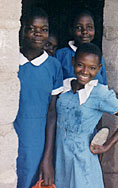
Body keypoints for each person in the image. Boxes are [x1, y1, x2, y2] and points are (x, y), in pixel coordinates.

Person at [40, 43, 118, 188]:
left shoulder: (100, 93)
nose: (85, 71)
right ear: (73, 62)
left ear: (99, 69)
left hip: (83, 161)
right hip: (61, 159)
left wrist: (107, 146)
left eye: (92, 68)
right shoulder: (63, 87)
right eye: (80, 65)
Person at [14, 7, 63, 188]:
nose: (38, 34)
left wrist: (47, 158)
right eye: (32, 28)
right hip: (11, 133)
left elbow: (52, 113)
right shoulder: (10, 62)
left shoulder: (54, 66)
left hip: (37, 140)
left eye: (44, 30)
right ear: (22, 30)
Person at [55, 10, 107, 85]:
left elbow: (104, 85)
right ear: (71, 30)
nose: (85, 31)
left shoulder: (98, 57)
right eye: (79, 27)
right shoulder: (61, 55)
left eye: (89, 27)